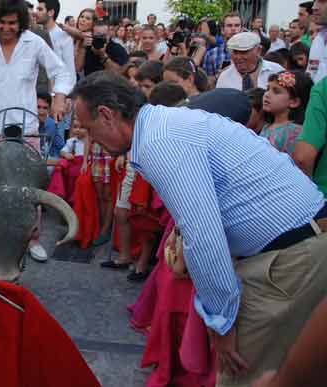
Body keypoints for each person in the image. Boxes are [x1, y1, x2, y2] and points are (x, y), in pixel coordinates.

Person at [72, 70, 327, 386]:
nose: (89, 138)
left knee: (244, 377)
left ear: (108, 115)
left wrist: (221, 322)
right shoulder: (164, 124)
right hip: (300, 249)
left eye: (89, 128)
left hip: (290, 259)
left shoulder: (159, 140)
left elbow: (203, 236)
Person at [0, 0, 75, 262]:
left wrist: (59, 98)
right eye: (1, 22)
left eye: (12, 23)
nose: (6, 28)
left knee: (30, 186)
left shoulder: (34, 42)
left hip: (27, 126)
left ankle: (32, 238)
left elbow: (60, 72)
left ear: (22, 23)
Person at [259, 71, 312, 156]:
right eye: (267, 89)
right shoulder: (267, 126)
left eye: (276, 92)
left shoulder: (294, 132)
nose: (266, 94)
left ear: (294, 102)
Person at [216, 32, 285, 91]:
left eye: (244, 52)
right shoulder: (225, 77)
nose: (238, 57)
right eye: (235, 52)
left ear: (258, 50)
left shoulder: (276, 71)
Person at [36, 0, 75, 74]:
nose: (36, 12)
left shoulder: (64, 36)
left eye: (40, 9)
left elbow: (70, 69)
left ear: (50, 12)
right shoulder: (37, 34)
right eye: (37, 9)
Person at [305, 0, 327, 83]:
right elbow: (312, 74)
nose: (314, 7)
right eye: (314, 0)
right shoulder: (319, 39)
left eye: (322, 0)